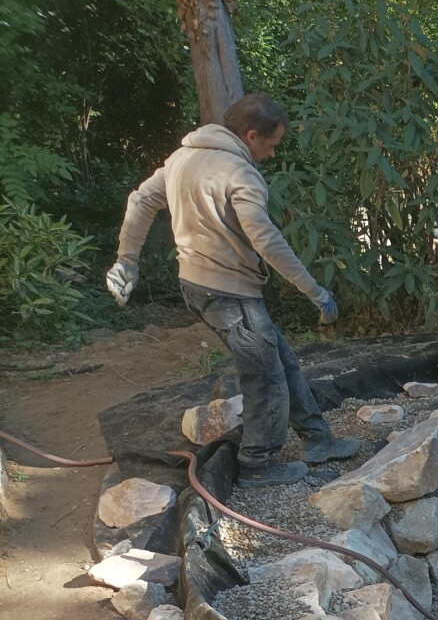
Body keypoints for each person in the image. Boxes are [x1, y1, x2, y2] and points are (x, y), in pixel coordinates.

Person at [107, 93, 359, 484]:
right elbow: (266, 239)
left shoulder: (181, 159)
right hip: (229, 293)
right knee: (265, 378)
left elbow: (141, 201)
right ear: (251, 135)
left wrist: (128, 259)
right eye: (271, 144)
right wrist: (315, 291)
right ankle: (259, 465)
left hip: (197, 285)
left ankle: (317, 438)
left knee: (281, 360)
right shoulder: (239, 173)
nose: (272, 154)